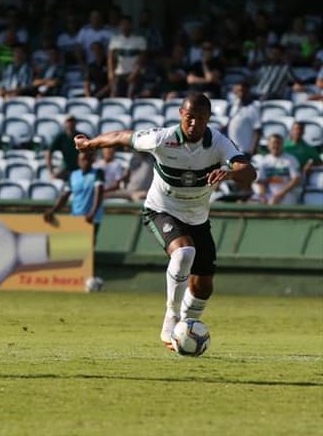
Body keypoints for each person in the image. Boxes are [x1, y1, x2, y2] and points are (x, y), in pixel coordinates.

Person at [74, 93, 256, 350]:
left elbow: (249, 172)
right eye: (190, 118)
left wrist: (227, 172)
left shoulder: (218, 142)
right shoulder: (162, 138)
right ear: (181, 114)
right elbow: (122, 137)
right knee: (183, 252)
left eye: (200, 119)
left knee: (203, 286)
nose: (194, 124)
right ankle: (171, 318)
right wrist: (89, 144)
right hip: (162, 210)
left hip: (197, 218)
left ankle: (186, 326)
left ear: (208, 119)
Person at [43, 151, 104, 244]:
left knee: (89, 245)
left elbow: (98, 193)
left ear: (92, 160)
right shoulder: (73, 175)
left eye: (88, 159)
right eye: (83, 159)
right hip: (76, 216)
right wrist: (53, 210)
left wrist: (92, 213)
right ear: (78, 161)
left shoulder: (98, 173)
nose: (86, 162)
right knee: (74, 245)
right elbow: (65, 196)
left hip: (91, 218)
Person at [254, 133, 302, 205]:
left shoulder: (291, 159)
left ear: (282, 145)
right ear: (268, 145)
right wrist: (263, 197)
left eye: (278, 143)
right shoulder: (264, 161)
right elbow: (260, 182)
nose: (275, 146)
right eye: (273, 143)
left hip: (288, 194)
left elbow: (296, 179)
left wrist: (279, 195)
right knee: (252, 203)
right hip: (268, 194)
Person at [107, 15, 147, 98]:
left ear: (131, 25)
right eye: (122, 24)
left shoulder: (140, 40)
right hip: (119, 74)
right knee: (117, 97)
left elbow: (142, 59)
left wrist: (134, 73)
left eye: (127, 24)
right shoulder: (115, 40)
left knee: (131, 97)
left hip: (135, 75)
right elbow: (110, 57)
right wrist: (110, 72)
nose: (124, 26)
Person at [45, 115, 80, 181]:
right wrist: (51, 171)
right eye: (68, 121)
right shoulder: (61, 137)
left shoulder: (81, 136)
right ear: (65, 123)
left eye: (72, 121)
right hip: (66, 168)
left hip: (80, 169)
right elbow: (49, 152)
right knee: (53, 179)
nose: (70, 124)